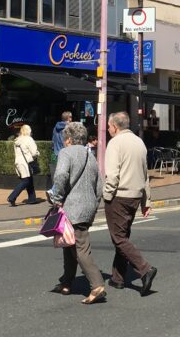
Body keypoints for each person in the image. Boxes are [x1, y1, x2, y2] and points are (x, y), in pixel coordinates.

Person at [48, 121, 106, 304]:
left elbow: (61, 175)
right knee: (69, 243)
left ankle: (97, 285)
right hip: (88, 206)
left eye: (65, 138)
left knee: (81, 247)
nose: (64, 141)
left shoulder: (66, 153)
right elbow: (99, 186)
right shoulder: (91, 156)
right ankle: (66, 282)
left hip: (73, 207)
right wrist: (94, 205)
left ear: (68, 140)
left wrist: (56, 197)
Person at [103, 111, 157, 296]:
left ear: (115, 127)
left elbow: (112, 175)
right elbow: (145, 174)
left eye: (109, 126)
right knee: (123, 236)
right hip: (135, 196)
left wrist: (106, 195)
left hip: (119, 196)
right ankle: (117, 278)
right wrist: (146, 200)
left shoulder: (115, 143)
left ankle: (145, 269)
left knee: (118, 238)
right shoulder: (139, 142)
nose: (108, 129)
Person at [8, 125, 40, 206]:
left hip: (19, 162)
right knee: (25, 181)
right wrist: (38, 153)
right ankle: (12, 197)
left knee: (29, 180)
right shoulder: (29, 139)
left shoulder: (17, 140)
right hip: (27, 162)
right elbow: (34, 152)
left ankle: (32, 199)